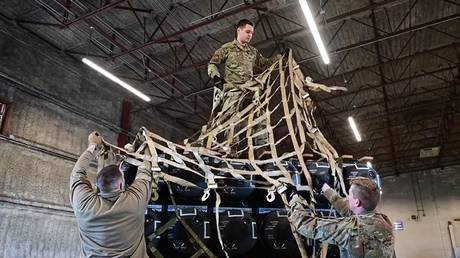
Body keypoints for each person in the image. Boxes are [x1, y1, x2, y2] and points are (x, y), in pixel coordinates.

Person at [70, 131, 155, 258]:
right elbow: (145, 171)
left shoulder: (83, 204)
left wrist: (93, 146)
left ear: (97, 186)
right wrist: (147, 147)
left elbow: (77, 173)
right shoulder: (133, 202)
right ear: (121, 185)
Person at [207, 19, 280, 157]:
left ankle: (262, 151)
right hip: (233, 91)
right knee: (232, 120)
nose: (250, 35)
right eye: (247, 32)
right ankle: (232, 149)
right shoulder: (227, 48)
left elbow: (265, 63)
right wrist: (216, 78)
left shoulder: (253, 52)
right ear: (238, 30)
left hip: (250, 91)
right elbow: (212, 63)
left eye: (252, 33)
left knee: (261, 117)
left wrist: (280, 57)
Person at [285, 177, 395, 258]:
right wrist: (326, 189)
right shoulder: (384, 222)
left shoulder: (351, 229)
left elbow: (306, 226)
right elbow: (348, 211)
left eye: (349, 195)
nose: (347, 197)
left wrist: (293, 198)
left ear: (356, 202)